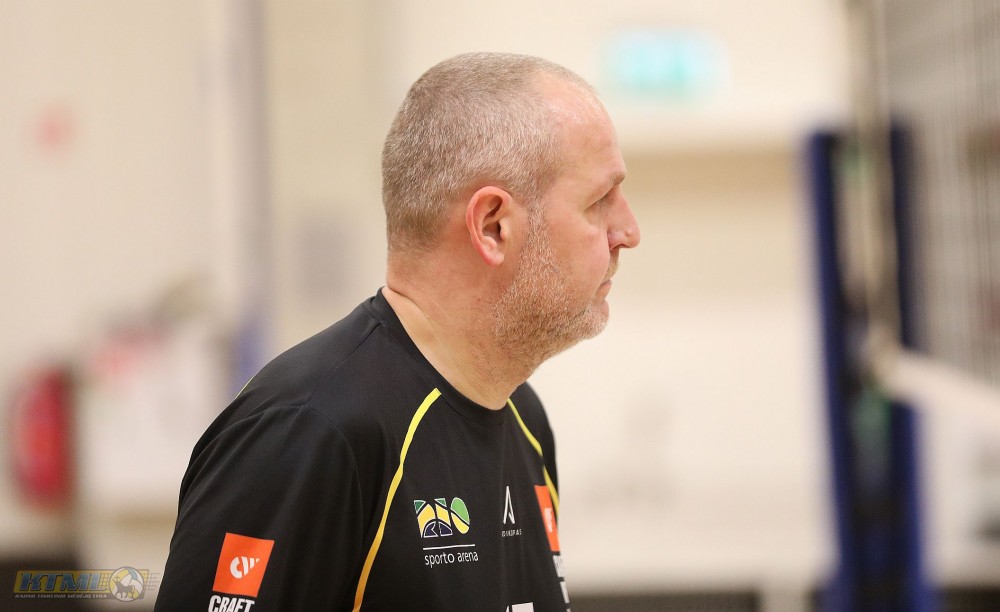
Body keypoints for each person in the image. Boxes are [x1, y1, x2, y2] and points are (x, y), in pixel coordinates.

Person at [154, 51, 640, 612]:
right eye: (599, 201)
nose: (628, 232)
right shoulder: (311, 431)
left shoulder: (523, 419)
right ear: (493, 226)